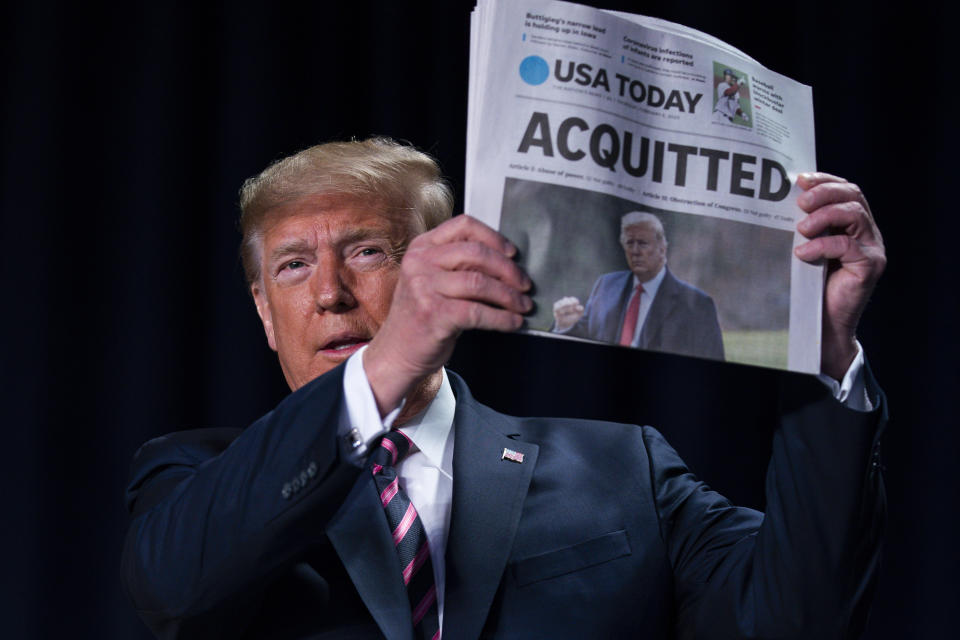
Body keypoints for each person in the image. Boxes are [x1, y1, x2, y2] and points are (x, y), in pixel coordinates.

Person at [122, 137, 888, 639]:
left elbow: (802, 618)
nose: (329, 293)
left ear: (442, 264)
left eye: (367, 252)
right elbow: (173, 590)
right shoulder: (193, 478)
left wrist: (823, 353)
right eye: (293, 266)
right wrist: (381, 371)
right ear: (263, 311)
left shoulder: (626, 471)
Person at [550, 211, 725, 360]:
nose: (635, 251)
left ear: (662, 249)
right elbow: (583, 338)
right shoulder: (606, 285)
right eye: (629, 243)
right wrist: (565, 326)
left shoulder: (697, 305)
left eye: (642, 243)